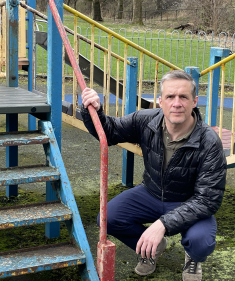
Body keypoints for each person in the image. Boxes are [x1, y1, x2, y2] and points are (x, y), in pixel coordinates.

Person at [80, 70, 226, 281]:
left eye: (183, 97)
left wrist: (163, 224)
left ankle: (193, 257)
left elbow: (208, 199)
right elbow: (109, 132)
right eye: (170, 97)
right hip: (151, 192)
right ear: (160, 101)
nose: (177, 103)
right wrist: (92, 109)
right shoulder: (145, 121)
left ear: (194, 101)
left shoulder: (209, 141)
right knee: (108, 218)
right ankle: (152, 248)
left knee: (201, 241)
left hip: (189, 200)